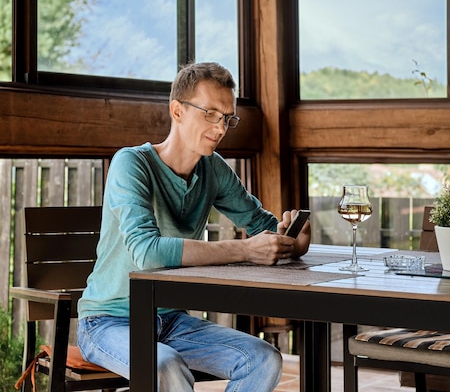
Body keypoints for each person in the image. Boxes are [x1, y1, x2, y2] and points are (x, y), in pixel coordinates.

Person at [77, 61, 311, 392]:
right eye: (210, 113)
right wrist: (245, 249)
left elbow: (263, 226)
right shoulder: (131, 163)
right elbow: (146, 252)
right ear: (177, 111)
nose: (221, 128)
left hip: (171, 321)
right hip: (107, 322)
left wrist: (293, 241)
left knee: (264, 358)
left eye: (227, 118)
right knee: (165, 365)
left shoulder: (213, 170)